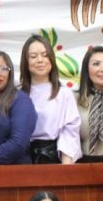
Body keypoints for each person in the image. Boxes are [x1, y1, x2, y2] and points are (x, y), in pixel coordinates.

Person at [18, 34, 81, 164]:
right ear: (26, 61)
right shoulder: (17, 94)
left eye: (45, 55)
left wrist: (66, 166)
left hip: (53, 158)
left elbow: (70, 132)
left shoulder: (64, 93)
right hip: (22, 158)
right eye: (33, 56)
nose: (40, 60)